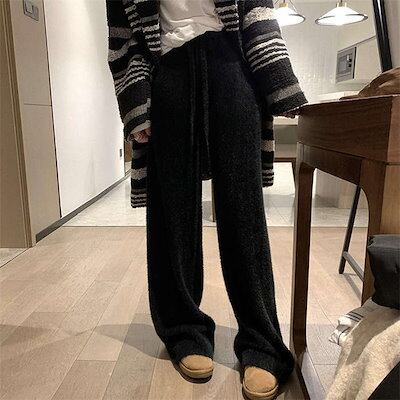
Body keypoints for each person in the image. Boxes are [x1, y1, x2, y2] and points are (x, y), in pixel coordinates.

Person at [106, 1, 307, 399]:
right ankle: (184, 331)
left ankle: (262, 343)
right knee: (171, 215)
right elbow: (125, 40)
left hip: (231, 64)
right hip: (167, 72)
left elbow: (257, 14)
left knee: (244, 213)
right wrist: (136, 104)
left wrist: (281, 84)